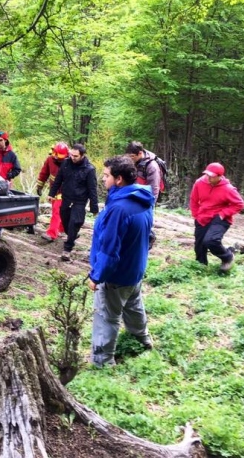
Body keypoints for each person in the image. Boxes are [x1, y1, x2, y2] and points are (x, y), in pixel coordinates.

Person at [88, 155, 155, 368]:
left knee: (106, 316)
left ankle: (103, 362)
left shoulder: (119, 208)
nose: (102, 178)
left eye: (106, 175)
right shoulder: (143, 198)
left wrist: (96, 276)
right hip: (134, 269)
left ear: (118, 179)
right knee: (134, 306)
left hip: (116, 275)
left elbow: (109, 250)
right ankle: (141, 340)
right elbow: (148, 235)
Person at [189, 162, 244, 271]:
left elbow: (239, 204)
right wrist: (196, 215)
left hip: (220, 218)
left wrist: (223, 214)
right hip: (202, 216)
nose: (208, 178)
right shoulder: (199, 183)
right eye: (207, 175)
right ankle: (201, 266)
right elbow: (193, 200)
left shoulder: (228, 188)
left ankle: (227, 257)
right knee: (199, 245)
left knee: (210, 240)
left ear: (219, 176)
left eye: (212, 176)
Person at [48, 143, 99, 261]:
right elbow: (58, 180)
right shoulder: (66, 163)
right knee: (65, 221)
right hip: (66, 198)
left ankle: (67, 249)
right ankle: (72, 234)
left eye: (75, 156)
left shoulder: (89, 169)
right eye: (71, 155)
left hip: (80, 201)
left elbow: (92, 189)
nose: (73, 158)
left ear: (82, 155)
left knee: (74, 222)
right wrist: (52, 193)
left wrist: (94, 207)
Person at [125, 141, 161, 249]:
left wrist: (151, 203)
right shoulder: (132, 162)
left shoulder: (152, 166)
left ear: (140, 153)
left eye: (132, 156)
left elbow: (155, 187)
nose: (130, 159)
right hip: (133, 194)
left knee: (143, 220)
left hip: (146, 197)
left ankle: (149, 237)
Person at [35, 142, 69, 242]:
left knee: (57, 211)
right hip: (54, 190)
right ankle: (62, 230)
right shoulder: (50, 159)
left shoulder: (70, 161)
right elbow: (44, 173)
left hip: (66, 190)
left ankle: (51, 233)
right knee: (60, 211)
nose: (60, 159)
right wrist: (40, 186)